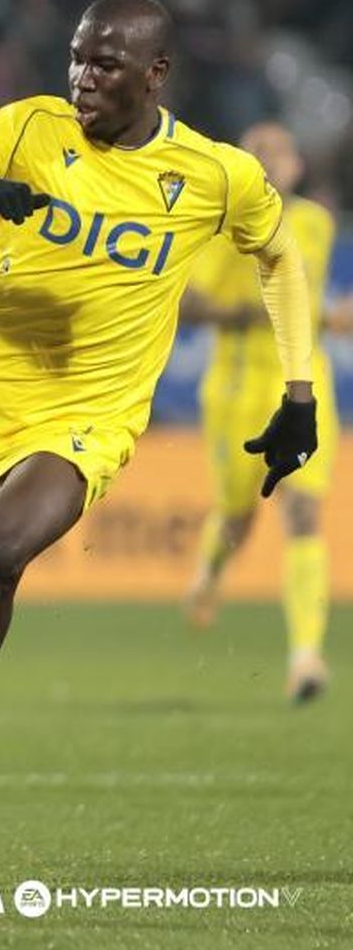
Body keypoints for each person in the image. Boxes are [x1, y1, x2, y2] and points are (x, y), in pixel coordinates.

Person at [0, 0, 319, 865]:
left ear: (155, 74)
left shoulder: (214, 175)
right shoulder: (25, 129)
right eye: (76, 58)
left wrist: (301, 391)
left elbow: (279, 255)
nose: (82, 78)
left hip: (90, 414)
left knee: (1, 558)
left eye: (104, 65)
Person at [181, 121, 339, 704]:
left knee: (303, 513)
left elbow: (307, 303)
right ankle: (210, 571)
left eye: (280, 151)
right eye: (258, 153)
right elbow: (189, 302)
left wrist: (328, 318)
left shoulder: (319, 225)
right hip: (235, 388)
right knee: (238, 515)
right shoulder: (224, 230)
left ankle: (305, 656)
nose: (271, 161)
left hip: (301, 383)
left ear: (297, 164)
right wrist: (249, 312)